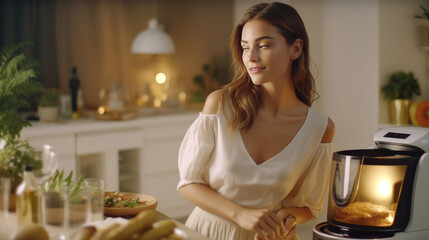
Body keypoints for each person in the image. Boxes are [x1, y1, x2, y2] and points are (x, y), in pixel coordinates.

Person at [177, 2, 335, 240]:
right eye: (245, 47)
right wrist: (241, 214)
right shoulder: (220, 105)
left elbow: (308, 207)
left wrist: (286, 219)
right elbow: (188, 183)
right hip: (209, 233)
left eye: (264, 45)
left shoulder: (319, 128)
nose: (251, 57)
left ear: (295, 49)